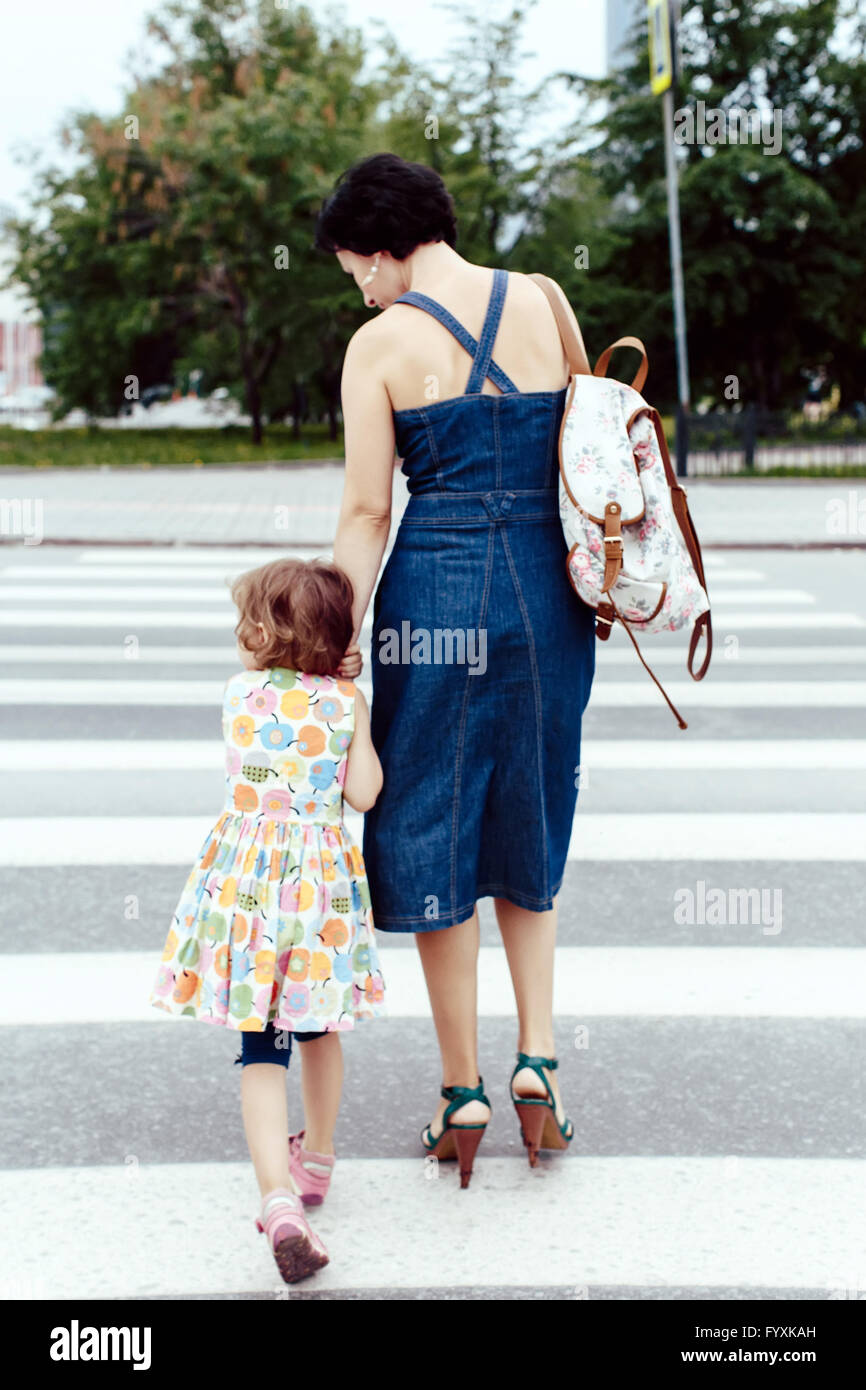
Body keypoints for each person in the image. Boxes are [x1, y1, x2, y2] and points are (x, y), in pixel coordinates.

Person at [315, 152, 596, 1189]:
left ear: (385, 246)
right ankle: (539, 1065)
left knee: (429, 817)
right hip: (546, 595)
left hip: (433, 594)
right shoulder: (542, 301)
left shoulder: (379, 344)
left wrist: (338, 646)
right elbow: (584, 451)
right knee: (530, 810)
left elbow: (362, 512)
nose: (359, 285)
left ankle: (462, 1088)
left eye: (355, 265)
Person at [148, 556, 387, 1282]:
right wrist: (354, 704)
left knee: (261, 1047)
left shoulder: (241, 693)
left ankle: (279, 1201)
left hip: (248, 892)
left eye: (247, 622)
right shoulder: (345, 704)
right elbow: (367, 795)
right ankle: (314, 1160)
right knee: (320, 1030)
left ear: (267, 632)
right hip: (318, 894)